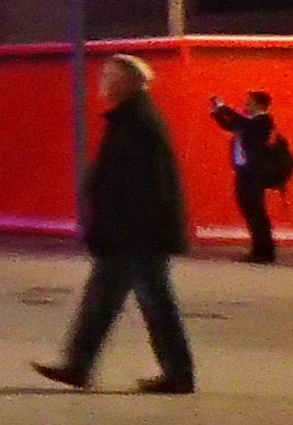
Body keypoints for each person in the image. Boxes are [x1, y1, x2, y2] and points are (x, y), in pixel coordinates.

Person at [37, 54, 195, 394]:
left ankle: (177, 373)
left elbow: (143, 185)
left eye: (110, 76)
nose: (103, 82)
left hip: (136, 234)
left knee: (151, 301)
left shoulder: (139, 122)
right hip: (132, 232)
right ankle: (79, 365)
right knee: (106, 298)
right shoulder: (131, 118)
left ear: (130, 82)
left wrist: (119, 226)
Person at [211, 89, 284, 265]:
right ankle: (257, 248)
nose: (246, 105)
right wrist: (217, 113)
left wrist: (224, 108)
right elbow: (231, 126)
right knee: (249, 211)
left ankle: (265, 251)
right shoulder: (248, 122)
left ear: (259, 105)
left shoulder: (263, 121)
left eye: (249, 102)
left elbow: (242, 124)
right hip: (244, 172)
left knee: (256, 212)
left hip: (254, 174)